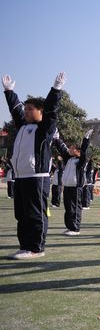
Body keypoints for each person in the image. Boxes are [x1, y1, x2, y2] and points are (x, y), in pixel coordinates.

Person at [3, 71, 66, 259]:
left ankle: (37, 248)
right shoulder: (23, 126)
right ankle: (25, 246)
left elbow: (52, 111)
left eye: (31, 109)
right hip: (21, 177)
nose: (26, 111)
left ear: (40, 111)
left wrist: (56, 90)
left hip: (37, 178)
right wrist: (9, 92)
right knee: (21, 215)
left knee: (35, 214)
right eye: (26, 108)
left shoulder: (44, 129)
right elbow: (15, 109)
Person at [53, 130, 93, 235]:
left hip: (76, 188)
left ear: (78, 151)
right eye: (70, 148)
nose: (70, 149)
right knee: (68, 208)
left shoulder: (80, 161)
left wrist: (85, 140)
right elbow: (62, 149)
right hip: (67, 187)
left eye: (72, 148)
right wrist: (57, 139)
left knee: (75, 208)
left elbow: (84, 152)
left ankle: (75, 229)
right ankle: (69, 227)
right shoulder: (69, 159)